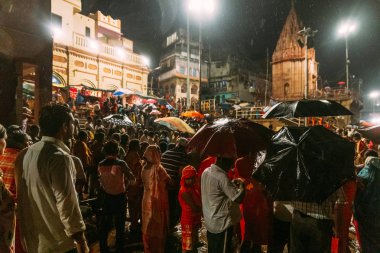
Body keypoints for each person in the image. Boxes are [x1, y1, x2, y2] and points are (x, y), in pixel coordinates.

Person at [15, 103, 88, 253]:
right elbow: (67, 206)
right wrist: (81, 242)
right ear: (64, 127)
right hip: (60, 245)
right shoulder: (59, 158)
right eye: (72, 122)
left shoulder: (24, 154)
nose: (75, 127)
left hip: (34, 242)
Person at [98, 140, 135, 253]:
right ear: (117, 150)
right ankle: (119, 248)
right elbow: (132, 180)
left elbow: (100, 182)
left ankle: (103, 248)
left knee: (105, 225)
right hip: (120, 197)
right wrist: (125, 187)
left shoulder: (101, 164)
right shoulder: (121, 163)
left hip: (107, 197)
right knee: (120, 225)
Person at [201, 157, 245, 253]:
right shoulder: (221, 177)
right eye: (230, 162)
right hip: (222, 224)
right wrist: (243, 186)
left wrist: (230, 184)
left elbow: (217, 191)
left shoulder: (206, 172)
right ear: (221, 160)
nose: (232, 166)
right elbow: (238, 198)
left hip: (211, 222)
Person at [234, 154, 273, 253]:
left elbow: (237, 180)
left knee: (246, 235)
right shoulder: (262, 161)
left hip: (246, 200)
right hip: (258, 202)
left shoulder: (239, 162)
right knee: (256, 238)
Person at [290, 187, 346, 253]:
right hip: (321, 223)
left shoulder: (299, 176)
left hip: (298, 217)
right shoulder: (332, 176)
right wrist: (339, 233)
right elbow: (340, 202)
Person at [141, 145, 171, 253]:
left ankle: (148, 248)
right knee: (158, 224)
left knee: (147, 222)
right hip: (157, 200)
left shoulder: (143, 166)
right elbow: (169, 181)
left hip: (146, 198)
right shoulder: (158, 168)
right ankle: (158, 249)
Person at [161, 137, 190, 229]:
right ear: (186, 147)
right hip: (173, 185)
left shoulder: (166, 153)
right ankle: (170, 226)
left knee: (165, 206)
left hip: (162, 184)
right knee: (173, 206)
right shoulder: (184, 156)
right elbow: (181, 173)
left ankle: (164, 225)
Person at [354, 153, 380, 253]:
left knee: (367, 241)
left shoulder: (365, 173)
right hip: (376, 215)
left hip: (365, 214)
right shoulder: (374, 170)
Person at [178, 165, 202, 253]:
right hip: (188, 220)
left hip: (194, 219)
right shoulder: (184, 191)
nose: (191, 181)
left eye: (192, 178)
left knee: (194, 242)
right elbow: (194, 207)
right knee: (187, 246)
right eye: (188, 178)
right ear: (183, 179)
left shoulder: (193, 188)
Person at [124, 139, 143, 237]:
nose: (140, 146)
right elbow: (136, 170)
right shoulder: (134, 155)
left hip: (130, 183)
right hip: (134, 184)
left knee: (132, 205)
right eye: (139, 145)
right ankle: (134, 226)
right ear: (136, 146)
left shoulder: (129, 154)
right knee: (135, 205)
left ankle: (134, 224)